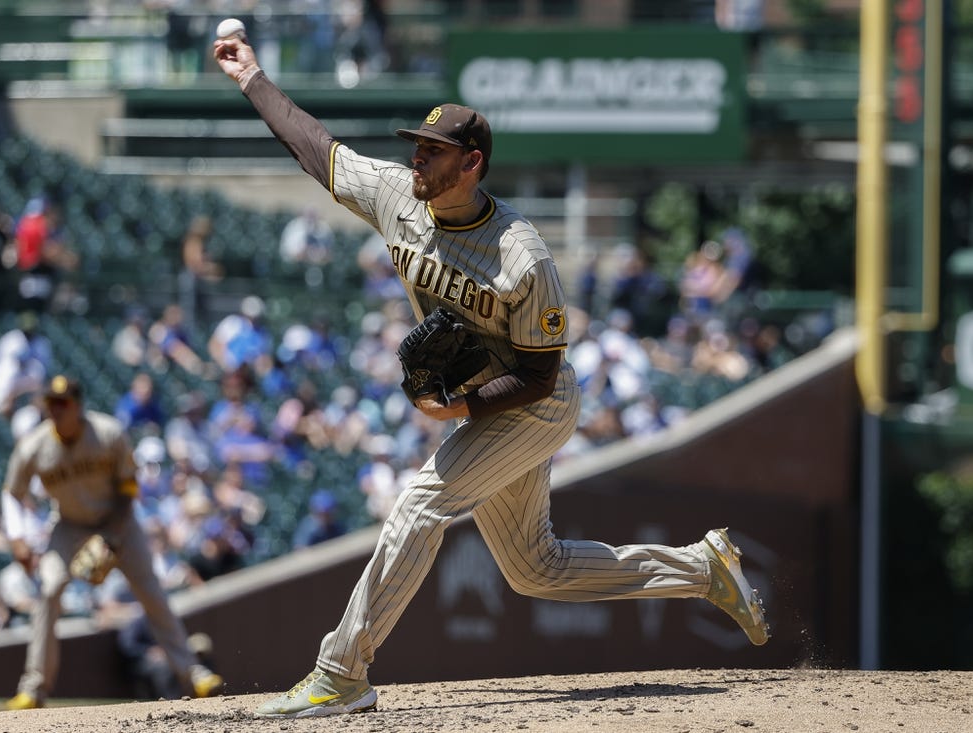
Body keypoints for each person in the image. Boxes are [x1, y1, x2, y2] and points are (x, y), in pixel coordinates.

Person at [214, 34, 770, 719]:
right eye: (417, 145)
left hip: (533, 403)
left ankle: (341, 670)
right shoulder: (397, 195)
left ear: (471, 163)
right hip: (488, 397)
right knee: (536, 568)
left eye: (433, 150)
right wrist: (254, 79)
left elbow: (540, 375)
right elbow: (316, 149)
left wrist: (458, 412)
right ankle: (703, 568)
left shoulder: (522, 255)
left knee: (423, 502)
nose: (418, 156)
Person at [0, 375, 223, 710]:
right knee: (48, 590)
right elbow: (11, 493)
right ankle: (34, 688)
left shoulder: (107, 433)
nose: (56, 410)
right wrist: (16, 538)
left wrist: (112, 536)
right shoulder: (34, 446)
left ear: (78, 406)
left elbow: (129, 490)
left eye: (63, 403)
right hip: (69, 525)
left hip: (118, 521)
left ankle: (193, 672)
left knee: (151, 592)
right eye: (51, 404)